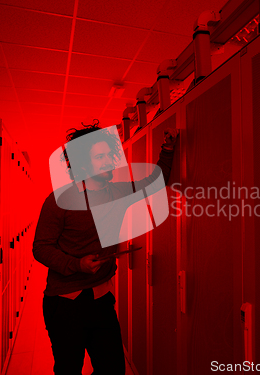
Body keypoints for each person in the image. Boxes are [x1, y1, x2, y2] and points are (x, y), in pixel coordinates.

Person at [32, 122, 178, 375]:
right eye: (100, 157)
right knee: (68, 370)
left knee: (112, 369)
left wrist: (167, 148)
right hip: (65, 303)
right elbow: (41, 248)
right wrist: (77, 264)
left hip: (101, 301)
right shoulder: (59, 200)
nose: (109, 161)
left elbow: (156, 181)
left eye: (109, 154)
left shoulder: (118, 191)